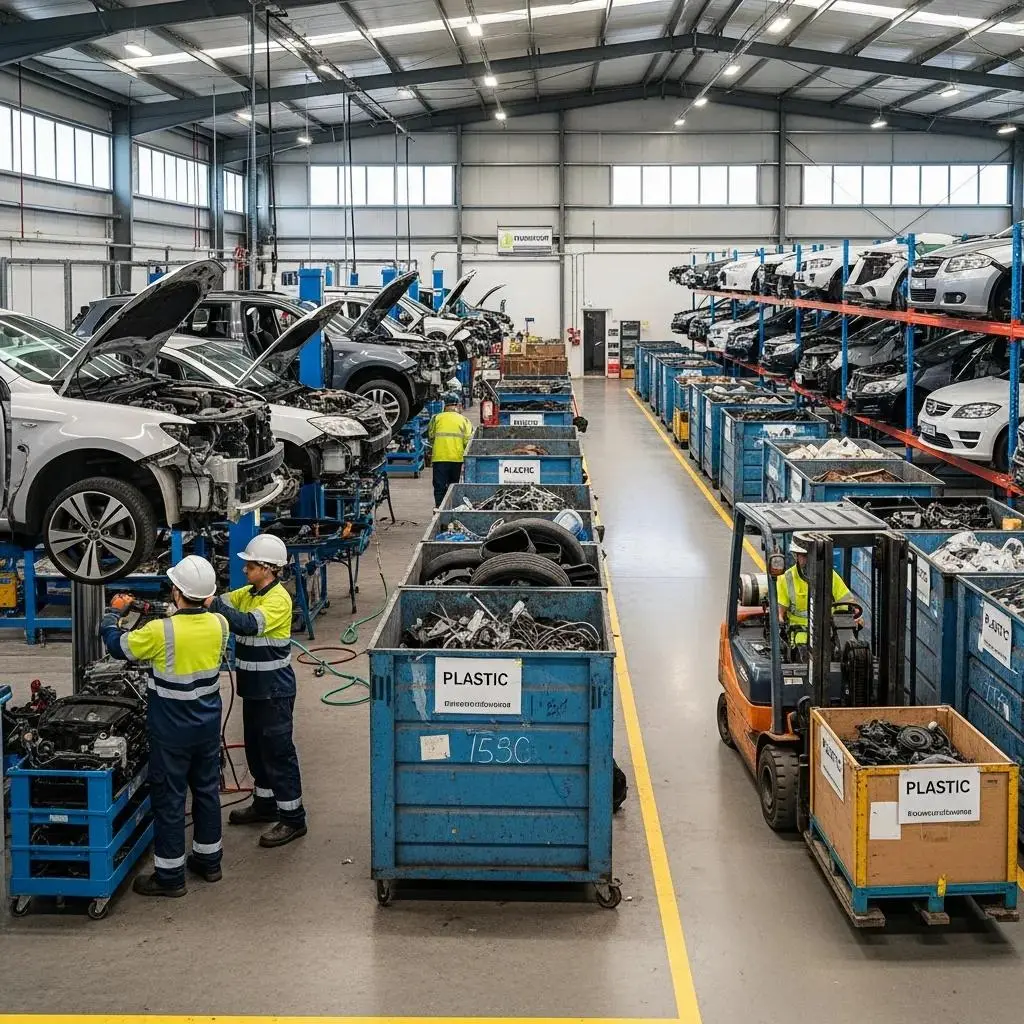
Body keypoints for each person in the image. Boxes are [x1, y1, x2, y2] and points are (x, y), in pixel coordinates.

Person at [100, 555, 228, 898]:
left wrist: (111, 616)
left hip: (171, 729)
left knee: (170, 799)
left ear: (177, 592)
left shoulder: (160, 631)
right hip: (206, 726)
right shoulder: (220, 625)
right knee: (206, 791)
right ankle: (209, 861)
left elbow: (118, 646)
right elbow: (188, 629)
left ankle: (170, 877)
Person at [205, 533, 306, 848]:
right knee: (256, 750)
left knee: (278, 753)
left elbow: (247, 624)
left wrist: (212, 604)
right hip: (253, 690)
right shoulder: (248, 593)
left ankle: (293, 818)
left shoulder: (278, 600)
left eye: (250, 565)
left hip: (274, 691)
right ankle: (265, 804)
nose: (245, 569)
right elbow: (224, 603)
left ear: (268, 568)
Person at [776, 540, 857, 648]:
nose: (809, 560)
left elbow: (848, 601)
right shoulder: (786, 579)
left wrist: (856, 616)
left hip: (828, 633)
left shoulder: (829, 575)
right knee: (802, 652)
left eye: (812, 556)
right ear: (796, 556)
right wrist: (779, 622)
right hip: (799, 635)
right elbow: (779, 613)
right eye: (804, 556)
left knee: (848, 649)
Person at [428, 392, 474, 507]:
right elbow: (468, 442)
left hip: (439, 458)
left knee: (439, 487)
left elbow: (431, 437)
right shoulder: (464, 420)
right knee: (453, 487)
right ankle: (451, 509)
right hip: (456, 459)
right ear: (457, 405)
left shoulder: (436, 418)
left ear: (445, 404)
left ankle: (438, 509)